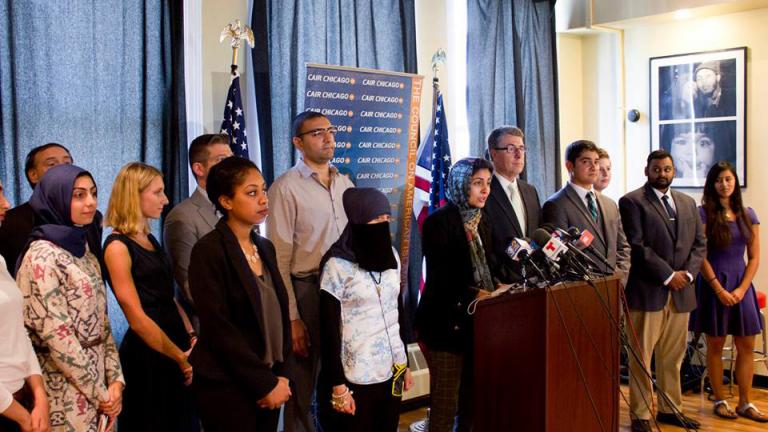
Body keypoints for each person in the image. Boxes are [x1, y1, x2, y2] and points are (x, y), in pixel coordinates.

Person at [15, 164, 125, 432]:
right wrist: (101, 394)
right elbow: (58, 337)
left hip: (100, 388)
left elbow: (103, 322)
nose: (90, 202)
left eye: (93, 193)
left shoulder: (83, 250)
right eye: (78, 195)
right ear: (57, 198)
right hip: (63, 389)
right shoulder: (41, 256)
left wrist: (116, 381)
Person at [188, 156, 292, 431]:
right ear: (226, 201)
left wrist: (280, 377)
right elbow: (220, 328)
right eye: (252, 193)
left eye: (264, 190)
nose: (263, 199)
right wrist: (264, 383)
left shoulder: (265, 247)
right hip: (227, 384)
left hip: (270, 376)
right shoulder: (208, 251)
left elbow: (276, 316)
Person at [267, 111, 354, 432]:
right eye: (317, 133)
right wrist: (292, 318)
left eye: (330, 131)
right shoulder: (286, 188)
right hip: (307, 289)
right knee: (302, 382)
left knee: (342, 376)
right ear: (297, 143)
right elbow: (279, 258)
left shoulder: (345, 181)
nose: (328, 138)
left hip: (346, 289)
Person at [103, 162, 198, 431]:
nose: (165, 200)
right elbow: (136, 318)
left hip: (177, 343)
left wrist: (190, 335)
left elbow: (168, 297)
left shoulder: (150, 238)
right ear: (134, 195)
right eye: (157, 192)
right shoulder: (117, 247)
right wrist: (180, 358)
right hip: (149, 354)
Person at [618, 150, 706, 432]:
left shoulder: (687, 203)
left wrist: (688, 275)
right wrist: (668, 275)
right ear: (647, 171)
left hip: (682, 293)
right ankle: (640, 415)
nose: (662, 174)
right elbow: (637, 246)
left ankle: (671, 409)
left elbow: (700, 245)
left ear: (674, 171)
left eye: (667, 169)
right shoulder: (632, 202)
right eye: (657, 169)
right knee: (642, 356)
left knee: (673, 356)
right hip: (648, 292)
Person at [317, 188, 413, 432]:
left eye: (387, 218)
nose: (383, 225)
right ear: (359, 220)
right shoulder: (336, 266)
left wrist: (405, 364)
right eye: (376, 219)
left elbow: (396, 311)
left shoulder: (391, 256)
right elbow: (328, 331)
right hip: (356, 375)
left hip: (392, 370)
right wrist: (337, 385)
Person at [415, 157, 497, 432]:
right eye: (477, 183)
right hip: (445, 325)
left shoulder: (483, 220)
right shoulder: (439, 222)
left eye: (488, 183)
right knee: (445, 405)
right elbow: (442, 276)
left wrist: (501, 288)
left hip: (480, 325)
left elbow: (493, 264)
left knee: (472, 402)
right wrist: (477, 293)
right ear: (462, 185)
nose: (485, 190)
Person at [688, 162, 766, 422]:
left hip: (741, 285)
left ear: (735, 182)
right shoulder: (702, 214)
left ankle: (746, 402)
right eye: (719, 180)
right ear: (712, 183)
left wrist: (743, 288)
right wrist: (719, 288)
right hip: (713, 285)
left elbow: (754, 257)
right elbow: (700, 256)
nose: (725, 184)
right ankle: (720, 399)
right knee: (716, 343)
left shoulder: (748, 214)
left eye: (729, 179)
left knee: (746, 343)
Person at [164, 134, 233, 330]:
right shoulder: (182, 217)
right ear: (199, 168)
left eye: (231, 158)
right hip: (212, 326)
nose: (230, 166)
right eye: (221, 160)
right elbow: (189, 285)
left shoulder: (237, 208)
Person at [0, 180, 50, 432]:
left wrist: (40, 395)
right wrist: (21, 416)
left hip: (22, 397)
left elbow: (18, 333)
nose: (6, 204)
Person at [543, 140, 630, 279]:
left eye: (596, 162)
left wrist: (620, 276)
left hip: (614, 286)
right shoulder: (556, 204)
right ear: (569, 166)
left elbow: (623, 247)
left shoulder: (610, 204)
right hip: (582, 287)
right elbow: (559, 256)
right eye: (586, 162)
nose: (594, 167)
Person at [0, 143, 73, 277]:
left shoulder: (89, 217)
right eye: (52, 164)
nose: (62, 169)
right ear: (33, 175)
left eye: (67, 163)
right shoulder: (8, 221)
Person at [482, 126, 541, 281]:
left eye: (521, 148)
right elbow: (485, 247)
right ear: (494, 154)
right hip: (502, 284)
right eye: (510, 148)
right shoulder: (483, 192)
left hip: (534, 280)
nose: (519, 154)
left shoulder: (530, 191)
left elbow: (536, 235)